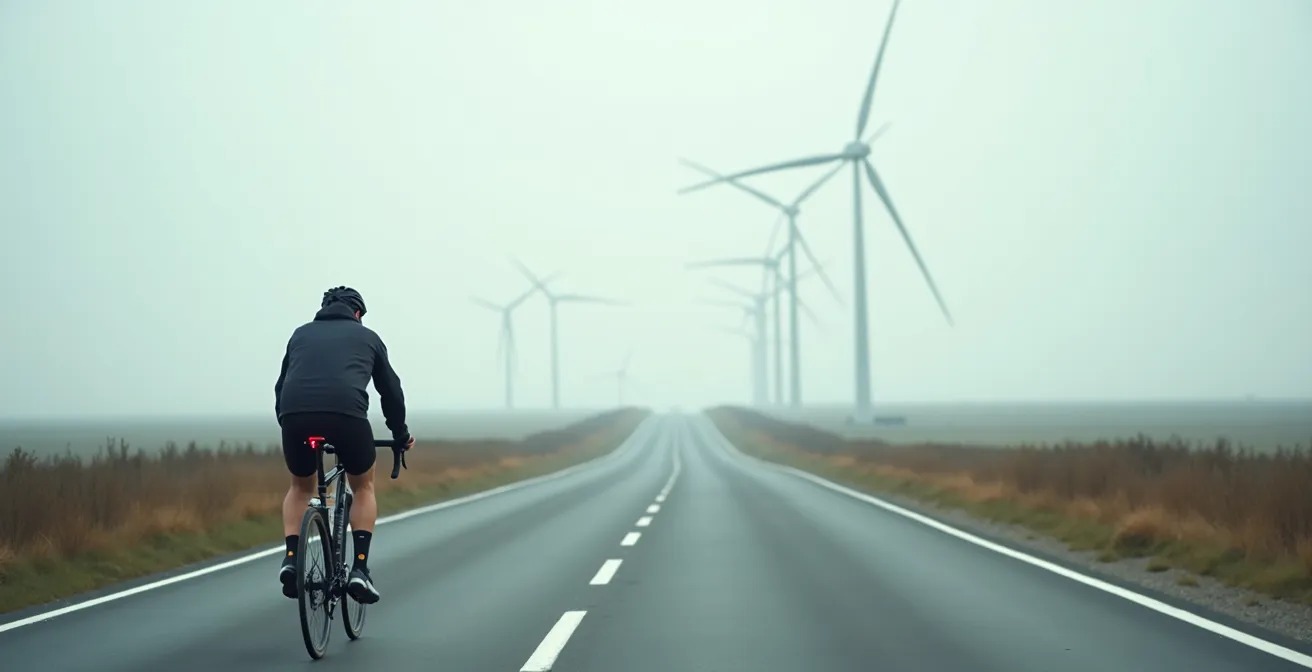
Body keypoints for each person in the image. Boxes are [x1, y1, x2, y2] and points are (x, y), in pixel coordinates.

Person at [273, 286, 414, 604]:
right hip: (346, 417)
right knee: (362, 486)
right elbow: (391, 392)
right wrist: (400, 435)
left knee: (300, 487)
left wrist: (290, 424)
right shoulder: (368, 338)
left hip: (296, 417)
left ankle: (291, 559)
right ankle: (360, 571)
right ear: (358, 313)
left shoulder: (299, 334)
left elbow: (281, 385)